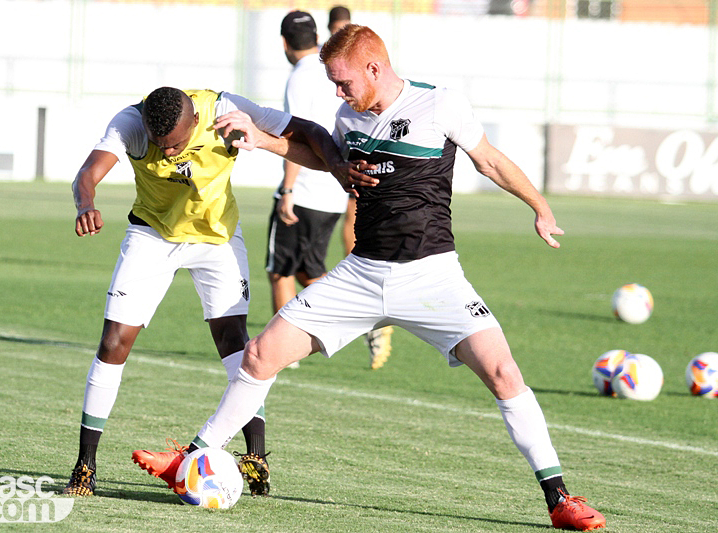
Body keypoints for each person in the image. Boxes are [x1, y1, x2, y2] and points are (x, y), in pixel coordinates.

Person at [138, 25, 606, 531]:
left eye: (342, 82)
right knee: (259, 354)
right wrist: (263, 141)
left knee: (503, 373)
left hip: (433, 278)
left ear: (374, 68)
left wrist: (539, 207)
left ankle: (559, 499)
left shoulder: (441, 105)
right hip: (361, 275)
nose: (338, 94)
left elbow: (489, 160)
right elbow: (324, 159)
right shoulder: (348, 115)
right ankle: (190, 459)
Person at [63, 86, 367, 498]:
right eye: (160, 145)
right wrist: (86, 204)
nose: (168, 154)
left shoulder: (225, 109)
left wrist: (337, 166)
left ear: (195, 122)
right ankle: (85, 465)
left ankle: (256, 457)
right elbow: (88, 174)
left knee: (236, 344)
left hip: (216, 238)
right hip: (153, 235)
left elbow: (306, 130)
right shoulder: (131, 124)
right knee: (114, 342)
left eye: (176, 144)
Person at [266, 11, 348, 342]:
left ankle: (282, 346)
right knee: (309, 270)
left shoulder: (299, 76)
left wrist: (287, 190)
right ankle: (354, 316)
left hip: (305, 191)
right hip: (334, 192)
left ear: (284, 43)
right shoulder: (332, 70)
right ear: (316, 37)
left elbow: (295, 137)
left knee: (281, 272)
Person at [327, 5, 396, 370]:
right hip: (332, 185)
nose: (339, 91)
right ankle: (369, 319)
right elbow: (322, 142)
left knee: (286, 270)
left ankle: (368, 318)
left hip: (310, 194)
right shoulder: (345, 111)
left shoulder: (418, 103)